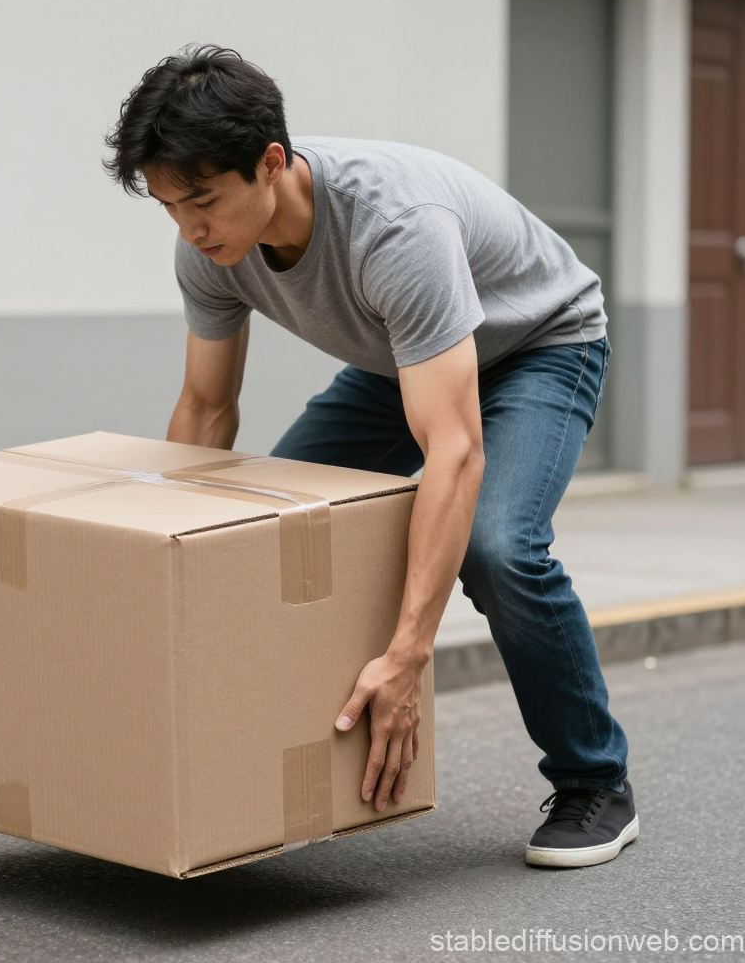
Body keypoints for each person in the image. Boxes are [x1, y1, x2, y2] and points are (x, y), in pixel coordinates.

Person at [103, 45, 637, 868]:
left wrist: (408, 653)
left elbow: (454, 452)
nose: (189, 227)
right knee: (276, 531)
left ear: (271, 164)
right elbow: (207, 408)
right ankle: (270, 771)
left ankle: (594, 779)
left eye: (202, 200)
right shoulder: (207, 251)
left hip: (538, 344)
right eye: (171, 207)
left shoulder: (396, 227)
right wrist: (157, 559)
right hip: (408, 359)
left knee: (499, 549)